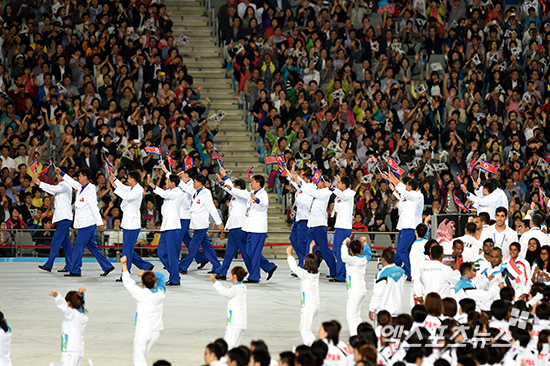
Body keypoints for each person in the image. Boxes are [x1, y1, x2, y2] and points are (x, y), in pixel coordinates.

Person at [56, 167, 114, 277]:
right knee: (92, 246)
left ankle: (75, 270)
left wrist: (99, 222)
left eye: (80, 176)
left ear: (85, 177)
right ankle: (107, 266)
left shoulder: (90, 189)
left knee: (78, 246)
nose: (78, 177)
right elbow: (71, 181)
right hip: (82, 223)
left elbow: (94, 207)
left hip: (88, 224)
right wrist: (62, 173)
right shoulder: (81, 187)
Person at [121, 255, 166, 366]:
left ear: (143, 283)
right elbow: (162, 277)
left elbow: (128, 282)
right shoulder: (161, 294)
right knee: (140, 357)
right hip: (156, 332)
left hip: (143, 331)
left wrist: (123, 264)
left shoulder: (143, 294)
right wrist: (147, 274)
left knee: (138, 360)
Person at [162, 165, 209, 270]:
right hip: (178, 216)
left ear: (188, 177)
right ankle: (201, 258)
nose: (181, 176)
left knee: (178, 240)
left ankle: (173, 261)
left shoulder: (192, 187)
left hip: (185, 216)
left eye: (183, 175)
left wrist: (166, 171)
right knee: (185, 238)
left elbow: (181, 185)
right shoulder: (181, 185)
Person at [110, 170, 153, 281]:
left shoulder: (138, 190)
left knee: (126, 251)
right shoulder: (132, 188)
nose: (127, 180)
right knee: (127, 250)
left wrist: (115, 187)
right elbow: (124, 188)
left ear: (133, 179)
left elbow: (127, 196)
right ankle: (145, 266)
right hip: (128, 224)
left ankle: (126, 274)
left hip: (132, 225)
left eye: (128, 178)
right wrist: (115, 180)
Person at [178, 174, 224, 276]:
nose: (193, 183)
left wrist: (219, 222)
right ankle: (217, 266)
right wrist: (171, 175)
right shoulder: (196, 192)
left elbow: (212, 208)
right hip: (197, 224)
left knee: (193, 247)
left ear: (199, 183)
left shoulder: (205, 193)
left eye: (194, 181)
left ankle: (183, 266)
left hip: (201, 225)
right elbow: (185, 187)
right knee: (207, 247)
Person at [292, 173, 336, 277]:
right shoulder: (318, 191)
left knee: (324, 249)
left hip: (320, 225)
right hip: (312, 224)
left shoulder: (326, 192)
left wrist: (299, 183)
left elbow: (310, 191)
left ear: (325, 183)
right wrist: (295, 179)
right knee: (309, 248)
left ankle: (334, 270)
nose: (316, 183)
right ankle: (307, 269)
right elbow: (308, 188)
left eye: (319, 181)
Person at [382, 172, 423, 279]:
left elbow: (404, 193)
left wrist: (392, 178)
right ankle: (395, 269)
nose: (405, 186)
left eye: (407, 185)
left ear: (411, 187)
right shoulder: (409, 196)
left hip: (410, 226)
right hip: (404, 226)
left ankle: (411, 272)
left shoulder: (417, 195)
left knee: (402, 251)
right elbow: (401, 196)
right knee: (402, 251)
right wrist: (393, 187)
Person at [148, 173, 185, 286]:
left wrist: (151, 184)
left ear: (173, 183)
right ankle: (174, 273)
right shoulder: (170, 193)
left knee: (172, 255)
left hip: (173, 228)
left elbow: (163, 194)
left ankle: (175, 279)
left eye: (168, 181)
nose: (166, 182)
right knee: (161, 253)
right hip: (166, 228)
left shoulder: (177, 192)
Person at [214, 169, 251, 280]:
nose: (232, 188)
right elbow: (229, 189)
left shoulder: (245, 194)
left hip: (240, 227)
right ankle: (222, 271)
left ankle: (255, 271)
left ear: (238, 187)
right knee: (229, 252)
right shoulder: (235, 196)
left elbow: (231, 189)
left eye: (234, 186)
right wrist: (221, 181)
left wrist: (225, 176)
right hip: (233, 227)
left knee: (245, 253)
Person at [35, 171, 74, 273]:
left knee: (56, 241)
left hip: (64, 218)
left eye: (58, 174)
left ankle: (49, 264)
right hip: (63, 218)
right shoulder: (62, 186)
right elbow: (52, 190)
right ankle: (70, 265)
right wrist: (40, 184)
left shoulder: (65, 184)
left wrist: (40, 183)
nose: (56, 176)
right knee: (66, 244)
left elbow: (53, 189)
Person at [241, 174, 277, 283]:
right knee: (249, 252)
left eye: (253, 181)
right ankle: (269, 266)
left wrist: (256, 199)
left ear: (258, 183)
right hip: (250, 227)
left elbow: (264, 204)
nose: (251, 183)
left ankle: (254, 276)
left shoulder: (263, 194)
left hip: (258, 228)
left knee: (255, 253)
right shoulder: (252, 193)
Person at [286, 242, 319, 346]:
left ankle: (313, 349)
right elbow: (310, 261)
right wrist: (310, 248)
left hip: (308, 306)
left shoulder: (305, 275)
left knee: (305, 331)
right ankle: (314, 347)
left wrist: (289, 254)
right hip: (314, 304)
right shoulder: (315, 273)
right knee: (306, 329)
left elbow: (294, 267)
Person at [210, 266, 248, 349]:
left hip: (234, 323)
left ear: (234, 276)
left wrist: (215, 282)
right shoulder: (243, 287)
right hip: (241, 322)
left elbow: (225, 292)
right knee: (234, 347)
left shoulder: (235, 289)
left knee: (228, 347)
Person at [49, 286, 88, 366]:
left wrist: (56, 295)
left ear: (69, 303)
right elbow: (81, 303)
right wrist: (81, 294)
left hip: (70, 352)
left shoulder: (72, 314)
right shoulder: (81, 314)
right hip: (78, 350)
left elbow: (62, 305)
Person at [341, 236, 371, 336]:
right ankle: (361, 335)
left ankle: (355, 337)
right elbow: (369, 254)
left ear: (351, 250)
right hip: (362, 289)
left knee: (350, 316)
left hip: (354, 291)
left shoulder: (352, 260)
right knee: (356, 315)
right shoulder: (364, 259)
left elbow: (344, 257)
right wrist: (365, 243)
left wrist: (344, 243)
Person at [331, 175, 356, 283]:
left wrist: (333, 188)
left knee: (341, 251)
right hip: (339, 225)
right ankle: (340, 272)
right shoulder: (338, 196)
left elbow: (343, 196)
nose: (338, 184)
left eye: (340, 182)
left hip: (345, 226)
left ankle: (341, 275)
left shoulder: (350, 193)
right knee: (336, 250)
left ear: (344, 185)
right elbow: (336, 208)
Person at [369, 248, 406, 320]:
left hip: (384, 314)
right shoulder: (401, 272)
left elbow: (378, 294)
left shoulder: (381, 274)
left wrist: (372, 308)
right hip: (398, 311)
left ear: (383, 260)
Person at [287, 167, 313, 270]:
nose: (299, 177)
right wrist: (287, 171)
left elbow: (297, 181)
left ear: (307, 178)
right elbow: (293, 181)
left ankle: (304, 264)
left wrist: (292, 174)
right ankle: (303, 260)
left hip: (306, 219)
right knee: (293, 239)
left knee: (301, 243)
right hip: (298, 218)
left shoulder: (310, 187)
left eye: (301, 175)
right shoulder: (301, 187)